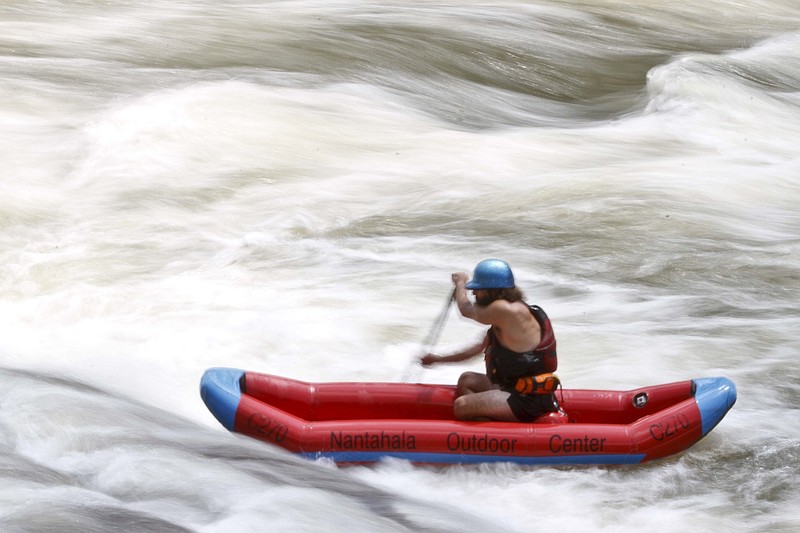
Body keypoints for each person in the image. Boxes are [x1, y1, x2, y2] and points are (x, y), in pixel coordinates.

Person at [420, 259, 560, 422]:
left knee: (461, 405)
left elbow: (466, 310)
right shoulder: (504, 320)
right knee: (467, 380)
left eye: (478, 290)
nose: (474, 294)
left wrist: (461, 283)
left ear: (492, 291)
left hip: (527, 400)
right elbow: (474, 350)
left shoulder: (505, 310)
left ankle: (498, 435)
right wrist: (437, 360)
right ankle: (488, 423)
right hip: (513, 388)